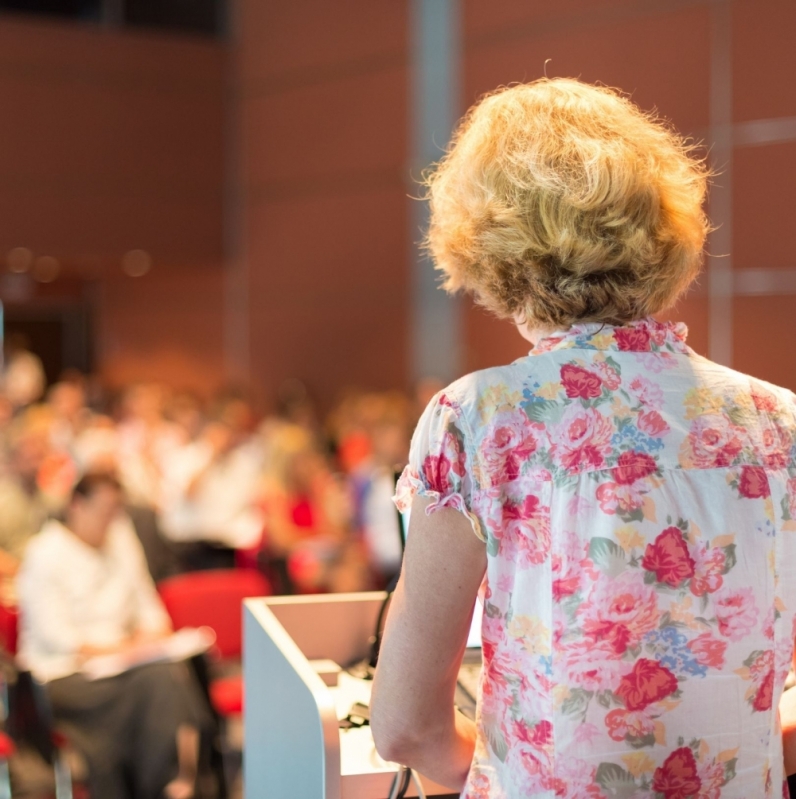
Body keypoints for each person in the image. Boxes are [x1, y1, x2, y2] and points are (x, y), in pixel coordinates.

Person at [371, 78, 796, 798]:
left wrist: (501, 765)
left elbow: (405, 727)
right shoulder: (779, 420)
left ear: (489, 244)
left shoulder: (477, 420)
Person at [17, 472, 210, 799]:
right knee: (160, 683)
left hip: (126, 666)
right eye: (103, 511)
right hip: (65, 676)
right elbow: (61, 640)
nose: (110, 520)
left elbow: (148, 606)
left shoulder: (121, 538)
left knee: (175, 671)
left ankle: (174, 780)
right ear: (77, 506)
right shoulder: (45, 552)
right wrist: (127, 648)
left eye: (116, 511)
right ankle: (172, 783)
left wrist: (152, 636)